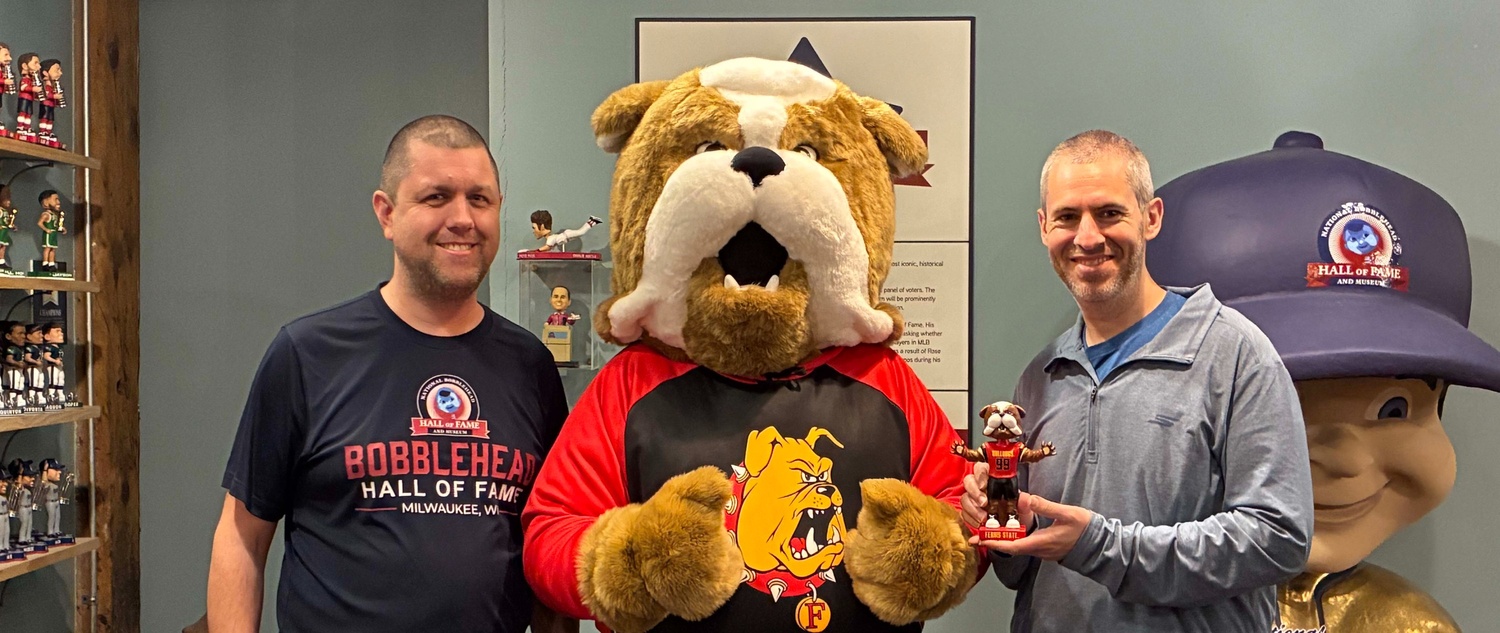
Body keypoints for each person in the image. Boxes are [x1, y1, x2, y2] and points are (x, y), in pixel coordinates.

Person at [207, 115, 571, 633]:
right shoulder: (307, 354)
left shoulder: (531, 365)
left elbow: (548, 541)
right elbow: (242, 535)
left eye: (480, 199)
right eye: (436, 197)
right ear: (387, 213)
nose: (463, 218)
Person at [962, 130, 1313, 632]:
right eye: (1066, 217)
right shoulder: (1039, 380)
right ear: (1044, 228)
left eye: (1108, 213)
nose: (1086, 237)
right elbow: (1020, 571)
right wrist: (1003, 517)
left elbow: (1278, 538)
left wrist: (1099, 546)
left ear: (1151, 218)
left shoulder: (1235, 355)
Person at [524, 209, 601, 252]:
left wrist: (532, 251)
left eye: (534, 228)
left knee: (581, 232)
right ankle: (592, 221)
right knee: (580, 232)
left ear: (542, 227)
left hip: (567, 235)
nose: (533, 231)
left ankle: (592, 220)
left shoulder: (551, 239)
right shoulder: (551, 239)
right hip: (566, 236)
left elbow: (546, 248)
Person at [36, 189, 66, 271]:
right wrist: (46, 229)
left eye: (58, 199)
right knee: (47, 248)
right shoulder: (46, 214)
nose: (58, 202)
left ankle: (51, 263)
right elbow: (39, 223)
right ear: (46, 202)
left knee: (53, 249)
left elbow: (55, 225)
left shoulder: (54, 215)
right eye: (55, 199)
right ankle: (45, 263)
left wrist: (61, 228)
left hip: (53, 234)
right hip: (49, 234)